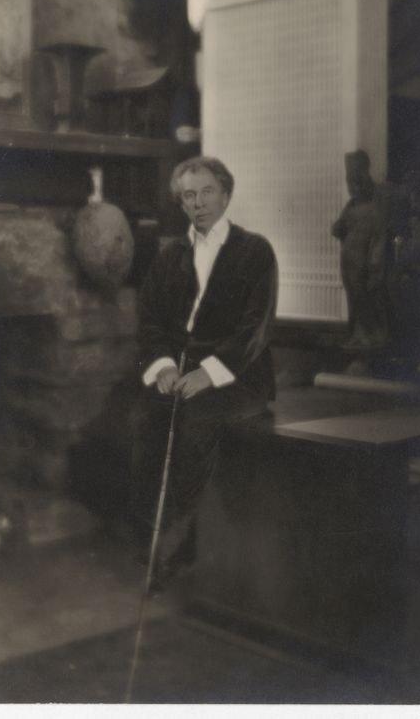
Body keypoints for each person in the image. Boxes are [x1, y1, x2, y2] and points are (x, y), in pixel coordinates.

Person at [126, 156, 278, 588]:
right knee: (147, 416)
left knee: (196, 420)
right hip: (180, 372)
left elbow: (257, 327)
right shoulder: (171, 255)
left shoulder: (255, 251)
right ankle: (149, 533)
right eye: (189, 195)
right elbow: (151, 320)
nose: (198, 203)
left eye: (207, 192)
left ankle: (177, 543)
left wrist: (209, 373)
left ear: (226, 194)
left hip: (239, 375)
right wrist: (163, 367)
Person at [331, 150, 391, 350]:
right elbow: (339, 227)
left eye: (357, 181)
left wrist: (375, 264)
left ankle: (370, 335)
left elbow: (380, 237)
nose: (353, 187)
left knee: (365, 297)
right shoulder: (351, 205)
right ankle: (357, 334)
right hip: (349, 260)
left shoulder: (376, 205)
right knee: (353, 298)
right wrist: (338, 228)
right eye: (350, 182)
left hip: (364, 262)